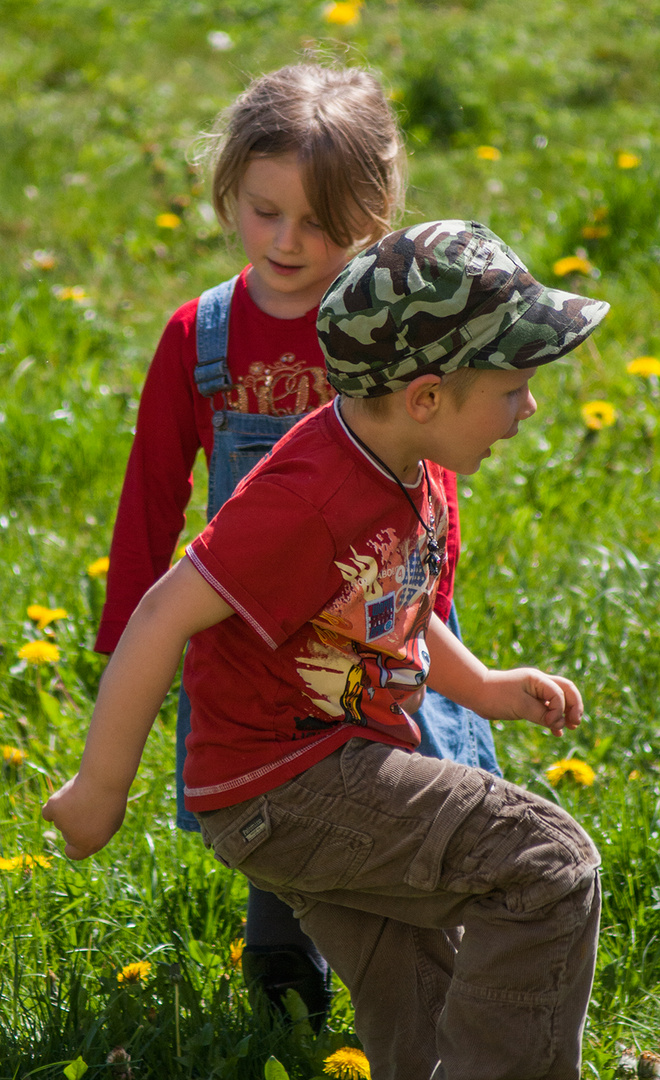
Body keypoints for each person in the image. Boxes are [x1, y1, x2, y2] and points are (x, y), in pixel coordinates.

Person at [44, 219, 607, 1079]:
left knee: (423, 992)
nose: (527, 409)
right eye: (514, 387)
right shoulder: (309, 496)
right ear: (425, 396)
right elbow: (163, 615)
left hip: (328, 771)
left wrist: (485, 686)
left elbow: (390, 609)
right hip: (286, 783)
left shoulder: (406, 465)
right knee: (548, 865)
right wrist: (100, 790)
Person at [94, 62, 499, 1025]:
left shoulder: (389, 334)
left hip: (384, 616)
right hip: (256, 632)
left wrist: (434, 606)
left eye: (320, 223)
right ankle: (282, 955)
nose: (288, 241)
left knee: (408, 773)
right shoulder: (202, 336)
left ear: (374, 217)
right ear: (230, 188)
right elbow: (152, 490)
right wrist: (127, 648)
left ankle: (421, 964)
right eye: (264, 210)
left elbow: (429, 472)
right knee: (278, 779)